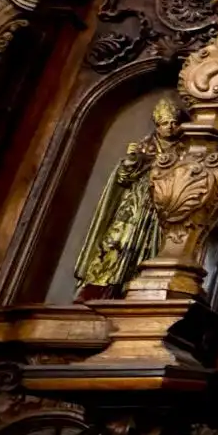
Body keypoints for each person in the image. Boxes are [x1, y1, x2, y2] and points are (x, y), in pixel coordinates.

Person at [72, 97, 177, 299]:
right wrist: (131, 160)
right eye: (165, 123)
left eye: (173, 123)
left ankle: (137, 288)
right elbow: (124, 177)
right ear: (157, 125)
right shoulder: (143, 147)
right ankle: (101, 286)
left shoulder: (182, 151)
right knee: (118, 242)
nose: (170, 127)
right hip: (134, 206)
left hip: (160, 208)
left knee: (151, 249)